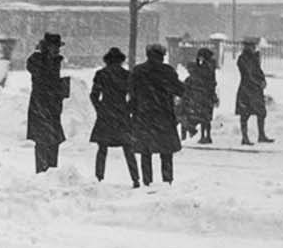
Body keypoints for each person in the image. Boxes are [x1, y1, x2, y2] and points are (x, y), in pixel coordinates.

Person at [129, 44, 183, 186]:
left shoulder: (138, 71)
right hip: (163, 115)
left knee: (145, 152)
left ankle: (147, 181)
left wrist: (133, 112)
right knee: (166, 151)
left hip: (144, 116)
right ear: (162, 56)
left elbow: (132, 94)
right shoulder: (168, 71)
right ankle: (167, 180)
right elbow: (180, 90)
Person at [88, 47, 137, 185]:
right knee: (128, 149)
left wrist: (100, 109)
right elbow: (134, 96)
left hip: (106, 114)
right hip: (122, 114)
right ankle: (135, 179)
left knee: (102, 149)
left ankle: (99, 177)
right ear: (121, 60)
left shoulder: (101, 74)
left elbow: (94, 95)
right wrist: (128, 109)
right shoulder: (127, 75)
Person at [26, 32, 69, 173]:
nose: (57, 50)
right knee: (42, 140)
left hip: (52, 106)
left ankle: (52, 170)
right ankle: (41, 170)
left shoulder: (55, 60)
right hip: (41, 105)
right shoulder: (37, 59)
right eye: (55, 47)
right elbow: (42, 78)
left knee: (53, 140)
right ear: (47, 47)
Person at [235, 36, 273, 145]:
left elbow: (258, 71)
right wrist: (258, 82)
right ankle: (244, 137)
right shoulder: (242, 59)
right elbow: (248, 74)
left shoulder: (254, 58)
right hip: (246, 89)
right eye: (252, 46)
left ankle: (261, 135)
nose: (253, 48)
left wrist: (263, 80)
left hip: (256, 90)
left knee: (261, 112)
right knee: (245, 114)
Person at [180, 47, 218, 144]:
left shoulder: (203, 68)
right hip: (208, 94)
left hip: (202, 95)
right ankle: (207, 136)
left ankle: (201, 135)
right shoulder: (210, 67)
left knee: (202, 116)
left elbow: (197, 78)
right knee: (207, 117)